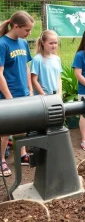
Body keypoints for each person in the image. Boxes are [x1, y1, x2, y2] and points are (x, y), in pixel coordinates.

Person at [0, 11, 35, 177]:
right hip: (8, 95)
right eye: (27, 30)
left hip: (23, 92)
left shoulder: (23, 43)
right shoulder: (2, 44)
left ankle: (22, 155)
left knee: (21, 126)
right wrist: (9, 97)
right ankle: (1, 159)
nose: (29, 33)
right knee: (5, 130)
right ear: (16, 26)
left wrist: (30, 88)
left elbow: (26, 67)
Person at [31, 30, 62, 96]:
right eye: (51, 43)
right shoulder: (37, 59)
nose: (54, 46)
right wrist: (44, 94)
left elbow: (59, 78)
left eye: (55, 43)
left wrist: (60, 93)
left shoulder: (57, 59)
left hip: (55, 96)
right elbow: (34, 80)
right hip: (42, 98)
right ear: (43, 43)